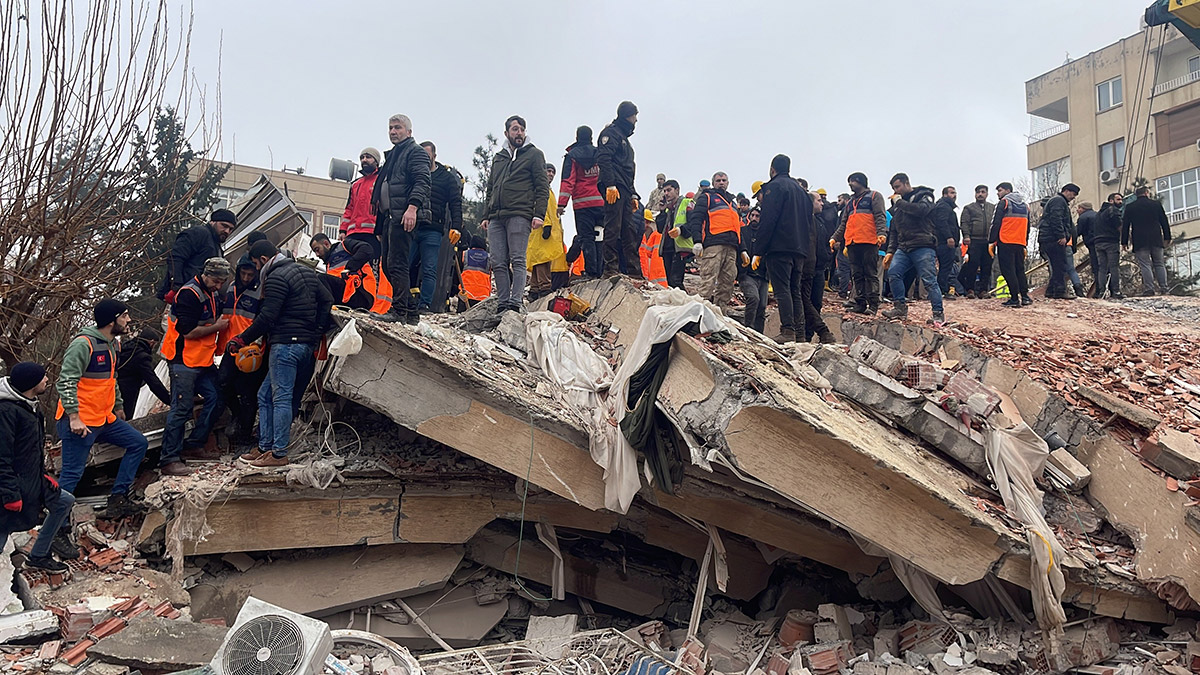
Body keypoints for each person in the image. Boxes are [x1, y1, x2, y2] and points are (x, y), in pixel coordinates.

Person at [225, 240, 332, 468]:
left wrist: (241, 339)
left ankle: (278, 453)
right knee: (266, 395)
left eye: (255, 264)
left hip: (285, 345)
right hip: (306, 348)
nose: (256, 269)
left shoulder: (275, 277)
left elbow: (267, 317)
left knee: (280, 397)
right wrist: (316, 333)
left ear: (263, 260)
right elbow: (327, 301)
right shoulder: (307, 271)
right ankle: (266, 447)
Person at [55, 300, 147, 519]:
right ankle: (57, 525)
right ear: (111, 320)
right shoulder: (83, 344)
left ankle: (118, 498)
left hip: (104, 418)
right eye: (124, 316)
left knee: (138, 443)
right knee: (72, 474)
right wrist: (74, 417)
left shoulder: (114, 344)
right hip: (80, 422)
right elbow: (66, 381)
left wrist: (118, 405)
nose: (128, 320)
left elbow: (111, 378)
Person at [0, 363, 78, 571]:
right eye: (42, 377)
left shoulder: (30, 407)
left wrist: (43, 477)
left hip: (30, 481)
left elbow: (30, 452)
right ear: (30, 383)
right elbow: (2, 457)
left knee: (64, 501)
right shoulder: (6, 412)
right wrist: (10, 494)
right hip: (9, 490)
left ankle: (39, 556)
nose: (46, 380)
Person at [160, 256, 232, 475]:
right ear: (206, 274)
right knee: (181, 409)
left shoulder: (211, 292)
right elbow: (188, 332)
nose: (219, 286)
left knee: (217, 398)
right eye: (216, 281)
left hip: (203, 360)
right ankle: (169, 458)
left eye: (222, 282)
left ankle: (194, 444)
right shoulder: (189, 295)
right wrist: (217, 327)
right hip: (183, 360)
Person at [754, 154, 834, 344]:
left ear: (772, 169)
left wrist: (759, 249)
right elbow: (808, 224)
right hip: (800, 250)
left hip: (779, 247)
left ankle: (787, 330)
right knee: (795, 291)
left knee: (782, 290)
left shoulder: (774, 187)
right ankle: (799, 334)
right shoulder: (802, 193)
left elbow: (769, 219)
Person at [481, 115, 550, 313]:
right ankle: (503, 302)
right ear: (507, 133)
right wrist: (486, 214)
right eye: (514, 129)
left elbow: (542, 187)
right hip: (496, 217)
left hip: (520, 213)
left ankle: (516, 301)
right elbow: (491, 187)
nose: (518, 132)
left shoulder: (534, 154)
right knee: (498, 261)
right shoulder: (499, 158)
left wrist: (539, 214)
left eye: (521, 129)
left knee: (518, 259)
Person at [371, 114, 432, 324]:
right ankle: (411, 310)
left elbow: (422, 181)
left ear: (409, 131)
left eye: (397, 128)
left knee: (397, 263)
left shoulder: (415, 153)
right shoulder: (394, 155)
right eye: (390, 128)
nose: (393, 131)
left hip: (404, 214)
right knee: (388, 265)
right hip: (391, 216)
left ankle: (399, 312)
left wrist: (412, 208)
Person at [216, 254, 265, 449]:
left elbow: (261, 320)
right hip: (231, 348)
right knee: (223, 384)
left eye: (250, 274)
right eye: (243, 274)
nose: (246, 278)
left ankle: (245, 436)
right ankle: (236, 415)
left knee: (248, 394)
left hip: (250, 350)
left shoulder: (260, 292)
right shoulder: (230, 289)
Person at [883, 173, 944, 324]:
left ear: (906, 183)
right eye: (893, 188)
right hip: (903, 247)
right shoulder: (898, 205)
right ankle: (900, 308)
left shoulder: (924, 196)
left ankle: (938, 313)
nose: (895, 191)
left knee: (929, 280)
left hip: (922, 245)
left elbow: (922, 210)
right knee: (893, 273)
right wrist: (891, 251)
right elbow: (895, 230)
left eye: (897, 187)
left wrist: (900, 203)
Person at [681, 172, 745, 311]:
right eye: (718, 180)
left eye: (724, 180)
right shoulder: (707, 197)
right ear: (713, 183)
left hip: (732, 246)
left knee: (727, 283)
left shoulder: (733, 204)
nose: (721, 182)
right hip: (713, 243)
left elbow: (738, 227)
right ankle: (699, 313)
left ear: (728, 183)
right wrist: (697, 240)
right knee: (708, 280)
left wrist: (743, 249)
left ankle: (720, 313)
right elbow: (696, 219)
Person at [414, 141, 464, 313]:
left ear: (434, 156)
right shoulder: (414, 174)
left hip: (433, 229)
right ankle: (407, 300)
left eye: (427, 155)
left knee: (429, 267)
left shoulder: (446, 178)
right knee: (405, 265)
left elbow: (456, 203)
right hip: (411, 227)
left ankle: (424, 304)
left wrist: (456, 226)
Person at [597, 101, 642, 278]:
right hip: (614, 187)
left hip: (624, 187)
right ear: (626, 116)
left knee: (628, 229)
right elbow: (604, 159)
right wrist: (609, 184)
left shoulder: (625, 140)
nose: (635, 121)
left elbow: (628, 170)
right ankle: (610, 269)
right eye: (634, 116)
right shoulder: (611, 133)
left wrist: (633, 193)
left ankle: (634, 271)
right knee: (613, 226)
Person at [830, 173, 887, 315]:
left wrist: (881, 233)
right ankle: (860, 303)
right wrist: (835, 238)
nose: (850, 184)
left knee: (870, 274)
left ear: (861, 182)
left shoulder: (874, 196)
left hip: (868, 241)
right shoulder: (850, 203)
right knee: (857, 274)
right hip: (852, 243)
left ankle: (873, 305)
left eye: (852, 181)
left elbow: (880, 216)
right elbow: (844, 224)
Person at [159, 209, 235, 303]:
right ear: (213, 222)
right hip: (182, 295)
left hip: (196, 297)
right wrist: (176, 287)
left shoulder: (216, 245)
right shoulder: (199, 233)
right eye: (224, 226)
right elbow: (176, 258)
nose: (227, 231)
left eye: (231, 229)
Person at [559, 126, 604, 279]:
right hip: (601, 203)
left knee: (587, 238)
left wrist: (561, 204)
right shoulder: (599, 153)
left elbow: (568, 181)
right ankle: (601, 270)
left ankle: (591, 272)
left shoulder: (572, 156)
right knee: (601, 237)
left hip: (582, 205)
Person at [1122, 185, 1173, 295]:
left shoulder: (1130, 207)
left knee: (1145, 264)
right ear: (1146, 193)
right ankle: (1164, 288)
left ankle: (1149, 289)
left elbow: (1125, 225)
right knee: (1159, 263)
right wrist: (1167, 237)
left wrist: (1124, 242)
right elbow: (1164, 221)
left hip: (1140, 239)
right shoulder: (1156, 204)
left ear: (1136, 195)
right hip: (1156, 238)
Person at [528, 163, 569, 300]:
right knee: (542, 259)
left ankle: (534, 289)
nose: (551, 174)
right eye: (548, 171)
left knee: (538, 258)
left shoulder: (547, 190)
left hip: (544, 228)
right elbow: (539, 206)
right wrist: (546, 224)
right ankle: (544, 287)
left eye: (553, 172)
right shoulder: (540, 188)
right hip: (542, 228)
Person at [988, 182, 1032, 307]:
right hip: (1019, 241)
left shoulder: (1004, 203)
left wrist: (992, 241)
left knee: (1008, 270)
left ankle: (1014, 298)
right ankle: (1025, 296)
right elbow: (1027, 226)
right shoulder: (1025, 206)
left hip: (1005, 240)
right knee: (1020, 269)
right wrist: (1025, 242)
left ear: (1007, 191)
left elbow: (995, 223)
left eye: (1000, 190)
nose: (998, 193)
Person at [310, 233, 376, 310]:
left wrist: (350, 268)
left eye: (317, 250)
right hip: (347, 295)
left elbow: (366, 249)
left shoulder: (344, 246)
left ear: (326, 244)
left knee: (321, 278)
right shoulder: (329, 264)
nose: (317, 255)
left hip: (361, 293)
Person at [116, 327, 169, 420]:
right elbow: (153, 382)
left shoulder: (124, 348)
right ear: (151, 342)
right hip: (128, 394)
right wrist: (169, 400)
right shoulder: (141, 357)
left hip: (113, 391)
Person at [340, 147, 384, 261]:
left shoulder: (382, 180)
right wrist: (342, 230)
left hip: (372, 234)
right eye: (362, 157)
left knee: (371, 267)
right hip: (353, 234)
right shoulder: (355, 184)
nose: (364, 160)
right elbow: (349, 208)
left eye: (368, 157)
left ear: (376, 161)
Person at [1038, 183, 1079, 299]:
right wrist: (1061, 235)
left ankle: (1051, 291)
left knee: (1057, 265)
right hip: (1053, 238)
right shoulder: (1059, 201)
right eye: (1073, 194)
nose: (1073, 197)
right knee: (1060, 265)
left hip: (1048, 237)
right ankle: (1060, 291)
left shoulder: (1057, 201)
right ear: (1067, 191)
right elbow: (1056, 219)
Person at [958, 185, 995, 298]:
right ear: (975, 194)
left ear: (987, 194)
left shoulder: (992, 207)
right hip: (974, 240)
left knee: (987, 266)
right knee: (972, 266)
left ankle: (983, 290)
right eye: (978, 192)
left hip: (988, 242)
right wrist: (966, 236)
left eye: (983, 192)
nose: (980, 194)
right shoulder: (969, 208)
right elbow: (964, 223)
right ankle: (970, 290)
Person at [740, 206, 770, 333]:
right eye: (752, 215)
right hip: (747, 274)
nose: (754, 218)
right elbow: (739, 243)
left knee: (762, 306)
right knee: (753, 298)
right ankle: (748, 329)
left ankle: (759, 333)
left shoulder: (766, 234)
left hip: (763, 274)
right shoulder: (743, 231)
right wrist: (743, 252)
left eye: (757, 216)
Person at [655, 180, 689, 290]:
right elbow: (660, 229)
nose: (666, 193)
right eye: (664, 191)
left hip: (679, 247)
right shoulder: (668, 209)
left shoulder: (687, 202)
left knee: (676, 281)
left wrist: (681, 230)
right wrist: (661, 211)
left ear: (677, 190)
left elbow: (694, 222)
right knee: (670, 281)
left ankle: (684, 304)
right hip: (667, 247)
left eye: (669, 190)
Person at [1095, 193, 1125, 299]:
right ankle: (1116, 291)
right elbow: (1119, 226)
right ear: (1111, 200)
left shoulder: (1099, 213)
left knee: (1102, 268)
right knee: (1113, 267)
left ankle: (1101, 291)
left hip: (1098, 242)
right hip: (1111, 242)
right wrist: (1125, 238)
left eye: (1121, 199)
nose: (1120, 202)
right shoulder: (1113, 210)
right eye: (1118, 199)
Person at [931, 187, 960, 298]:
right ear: (945, 194)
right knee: (945, 267)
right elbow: (942, 222)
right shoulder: (943, 206)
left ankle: (941, 290)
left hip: (943, 241)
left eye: (955, 193)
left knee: (945, 267)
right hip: (944, 242)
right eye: (952, 193)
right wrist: (949, 237)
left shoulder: (945, 206)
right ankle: (942, 290)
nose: (954, 195)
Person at [459, 235, 492, 309]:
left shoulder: (465, 254)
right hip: (483, 296)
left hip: (465, 294)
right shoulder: (489, 257)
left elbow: (456, 272)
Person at [1076, 201, 1099, 296]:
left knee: (1096, 266)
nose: (1077, 210)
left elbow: (1078, 231)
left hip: (1091, 242)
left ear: (1084, 208)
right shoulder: (1098, 215)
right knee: (1104, 265)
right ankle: (1110, 288)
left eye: (1079, 208)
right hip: (1101, 241)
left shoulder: (1083, 217)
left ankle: (1098, 290)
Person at [639, 209, 667, 286]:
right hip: (651, 275)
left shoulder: (652, 235)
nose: (648, 225)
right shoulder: (642, 235)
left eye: (649, 222)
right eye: (647, 222)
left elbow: (647, 252)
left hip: (651, 275)